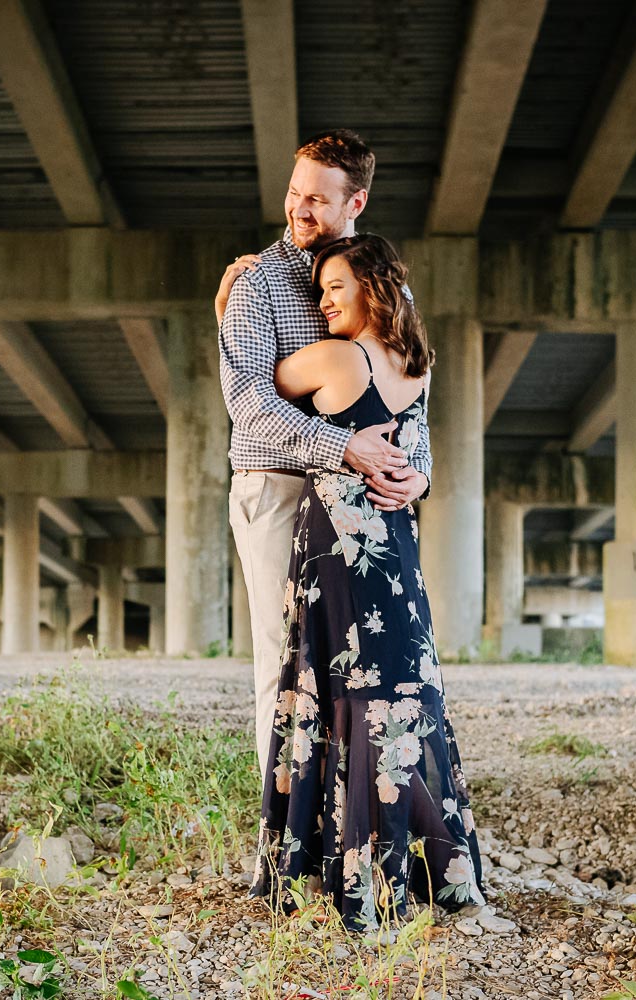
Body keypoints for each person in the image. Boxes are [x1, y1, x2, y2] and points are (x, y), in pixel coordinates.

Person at [251, 234, 484, 932]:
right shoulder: (419, 365)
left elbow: (264, 386)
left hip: (338, 552)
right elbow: (416, 456)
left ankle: (346, 875)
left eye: (335, 289)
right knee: (401, 699)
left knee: (340, 698)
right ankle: (427, 868)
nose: (321, 302)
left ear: (373, 290)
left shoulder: (334, 357)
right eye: (318, 290)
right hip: (398, 549)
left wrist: (235, 298)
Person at [218, 130, 433, 780]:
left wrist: (417, 475)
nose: (299, 210)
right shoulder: (255, 283)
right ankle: (284, 832)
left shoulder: (390, 290)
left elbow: (416, 398)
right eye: (294, 194)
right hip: (279, 486)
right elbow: (249, 399)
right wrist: (344, 445)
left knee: (361, 663)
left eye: (317, 199)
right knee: (285, 663)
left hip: (362, 507)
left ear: (356, 201)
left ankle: (345, 823)